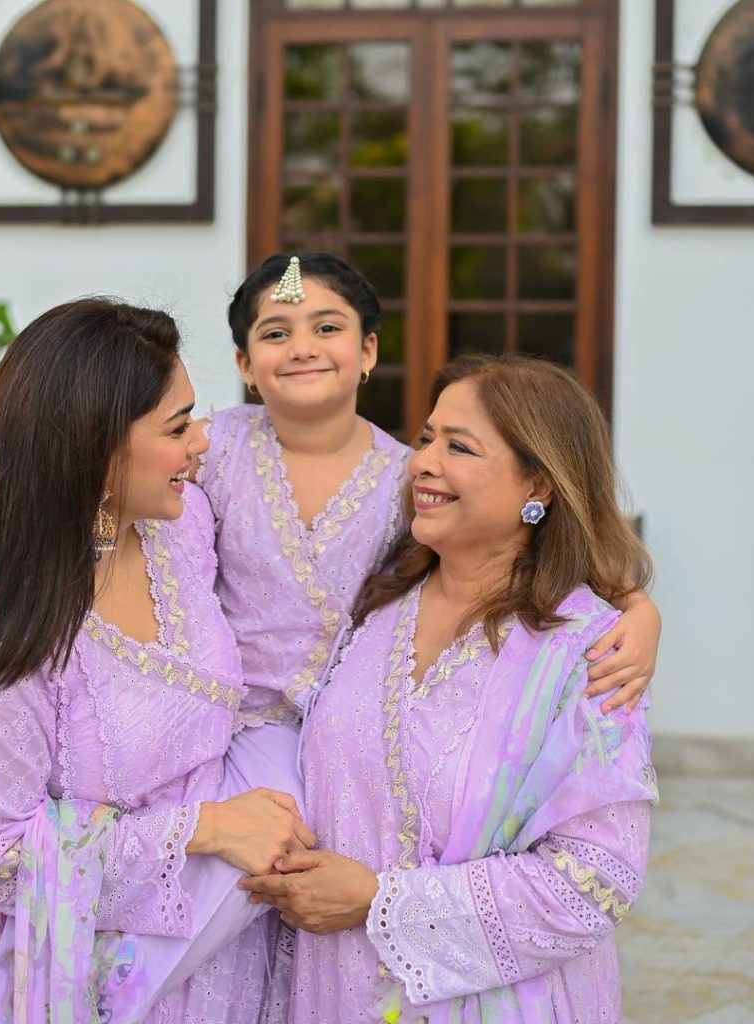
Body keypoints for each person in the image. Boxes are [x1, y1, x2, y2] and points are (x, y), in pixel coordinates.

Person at [0, 298, 313, 1023]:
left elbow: (315, 578)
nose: (202, 443)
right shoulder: (0, 644)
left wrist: (576, 612)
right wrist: (206, 830)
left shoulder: (179, 531)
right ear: (94, 450)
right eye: (176, 426)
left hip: (230, 945)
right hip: (105, 977)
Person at [241, 353, 659, 1024]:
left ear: (540, 487)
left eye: (458, 446)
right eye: (427, 437)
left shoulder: (588, 650)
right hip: (333, 989)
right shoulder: (378, 601)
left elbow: (595, 883)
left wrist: (381, 899)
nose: (423, 462)